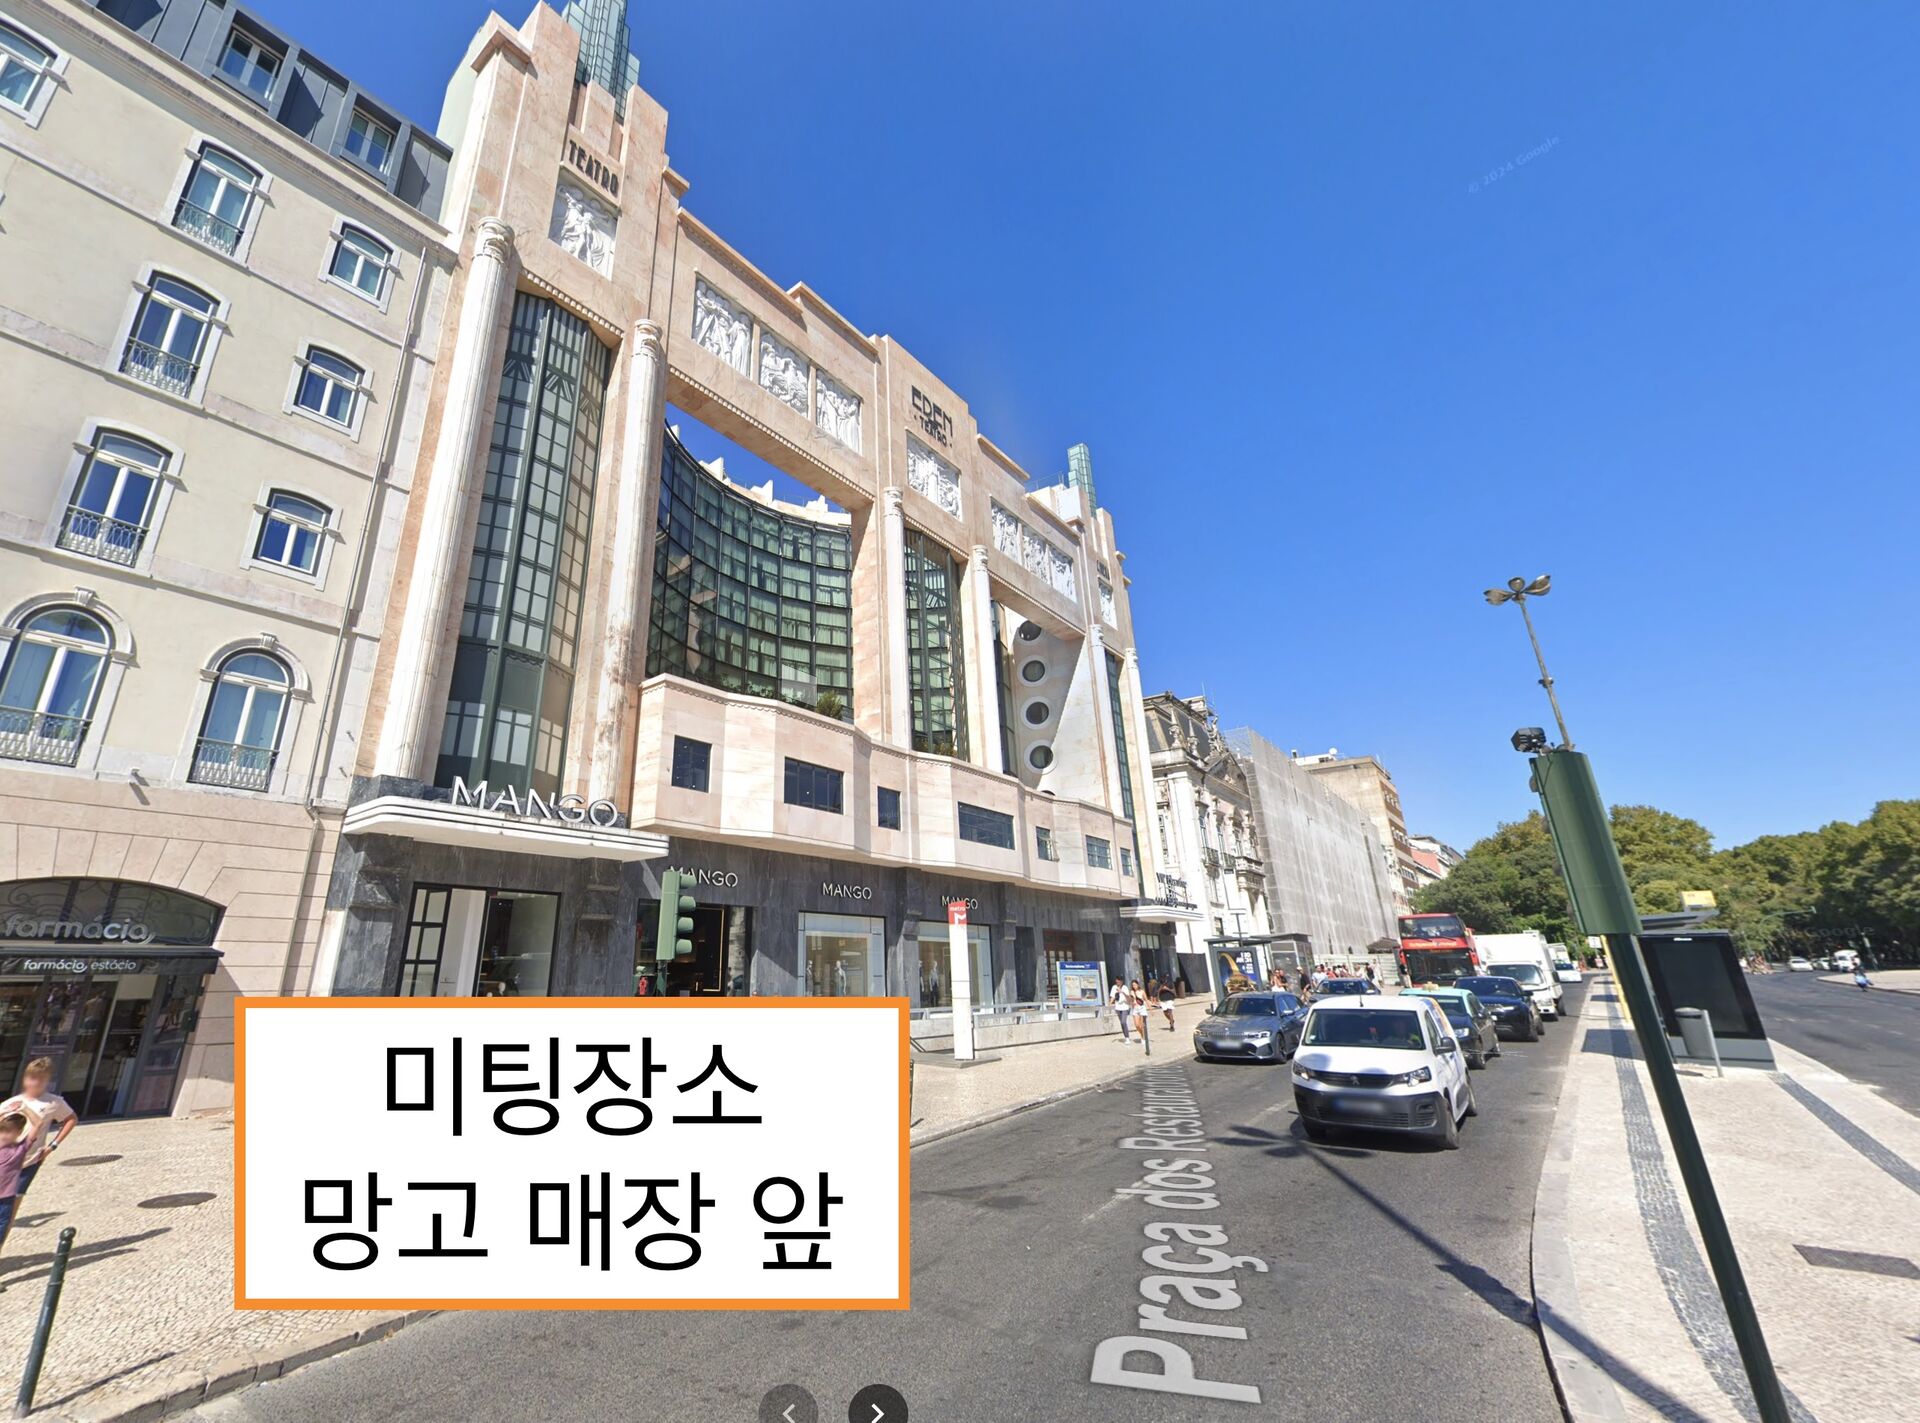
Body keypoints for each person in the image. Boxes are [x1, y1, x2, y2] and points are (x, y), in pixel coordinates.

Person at [1, 1057, 77, 1236]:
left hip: (28, 1163)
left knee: (10, 1211)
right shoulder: (10, 1103)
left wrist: (52, 1146)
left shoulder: (53, 1102)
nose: (35, 1082)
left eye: (40, 1079)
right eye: (32, 1077)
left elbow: (71, 1119)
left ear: (47, 1080)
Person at [0, 1113, 35, 1264]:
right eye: (2, 1131)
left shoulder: (20, 1148)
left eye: (8, 1132)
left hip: (7, 1198)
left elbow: (38, 1124)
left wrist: (24, 1107)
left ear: (19, 1132)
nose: (4, 1135)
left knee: (2, 1227)